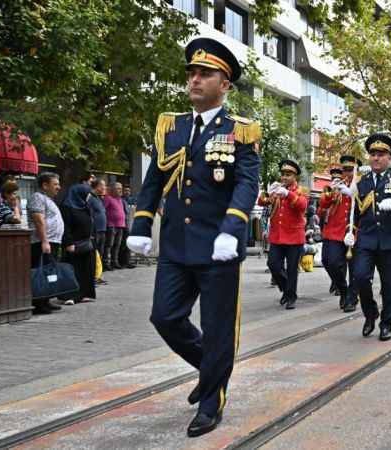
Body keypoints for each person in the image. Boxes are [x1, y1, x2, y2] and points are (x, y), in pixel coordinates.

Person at [126, 37, 261, 437]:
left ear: (226, 85)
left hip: (219, 247)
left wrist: (232, 230)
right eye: (191, 73)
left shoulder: (241, 131)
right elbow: (155, 179)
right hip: (177, 245)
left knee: (218, 327)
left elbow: (246, 184)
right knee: (165, 316)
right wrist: (140, 223)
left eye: (205, 74)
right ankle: (211, 369)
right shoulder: (172, 126)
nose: (195, 80)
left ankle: (210, 401)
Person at [344, 133, 391, 341]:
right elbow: (353, 209)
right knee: (361, 278)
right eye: (373, 154)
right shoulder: (361, 182)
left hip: (390, 241)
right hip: (366, 240)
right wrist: (349, 230)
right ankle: (370, 313)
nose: (376, 158)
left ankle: (386, 324)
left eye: (381, 154)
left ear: (389, 158)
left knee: (388, 285)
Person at [258, 160, 308, 310]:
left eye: (288, 175)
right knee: (273, 265)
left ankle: (291, 296)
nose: (285, 177)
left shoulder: (301, 190)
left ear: (295, 177)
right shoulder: (278, 189)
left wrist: (288, 194)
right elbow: (262, 203)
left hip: (294, 236)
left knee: (292, 269)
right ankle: (287, 290)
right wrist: (267, 191)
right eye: (283, 174)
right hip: (278, 236)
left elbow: (302, 206)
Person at [317, 156, 358, 312]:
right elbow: (323, 205)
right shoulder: (335, 185)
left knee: (354, 269)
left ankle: (352, 299)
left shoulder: (360, 184)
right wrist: (331, 192)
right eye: (344, 170)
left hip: (354, 232)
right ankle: (343, 289)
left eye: (349, 170)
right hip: (335, 231)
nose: (346, 173)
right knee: (330, 262)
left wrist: (350, 192)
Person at [29, 172, 65, 314]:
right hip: (42, 242)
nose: (59, 187)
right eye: (55, 184)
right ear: (44, 185)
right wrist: (44, 241)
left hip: (53, 241)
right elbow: (39, 220)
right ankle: (39, 303)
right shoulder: (37, 197)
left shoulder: (48, 199)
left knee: (48, 272)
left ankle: (46, 300)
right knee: (41, 272)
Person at [58, 184, 97, 305]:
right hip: (74, 244)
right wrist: (68, 243)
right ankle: (69, 295)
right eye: (87, 194)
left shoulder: (85, 206)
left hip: (87, 243)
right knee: (73, 270)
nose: (89, 197)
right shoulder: (67, 207)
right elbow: (66, 226)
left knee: (86, 270)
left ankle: (83, 294)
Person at [88, 179, 108, 284]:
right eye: (103, 186)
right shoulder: (90, 198)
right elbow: (89, 215)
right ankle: (93, 277)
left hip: (102, 230)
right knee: (94, 254)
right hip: (95, 231)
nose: (105, 188)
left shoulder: (98, 199)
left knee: (100, 253)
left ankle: (97, 275)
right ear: (97, 187)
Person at [103, 182, 126, 270]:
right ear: (112, 189)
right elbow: (102, 209)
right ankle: (105, 262)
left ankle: (114, 262)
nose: (121, 190)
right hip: (111, 225)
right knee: (109, 245)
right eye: (118, 188)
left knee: (117, 245)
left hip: (120, 225)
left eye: (121, 188)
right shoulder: (108, 198)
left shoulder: (120, 199)